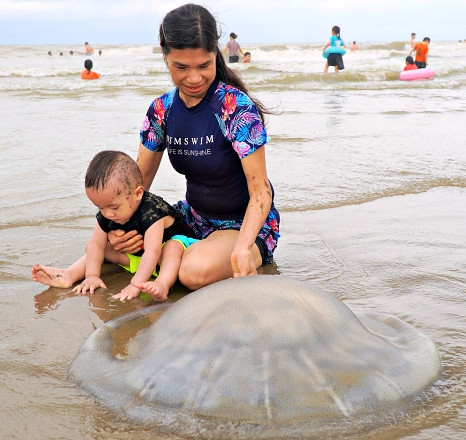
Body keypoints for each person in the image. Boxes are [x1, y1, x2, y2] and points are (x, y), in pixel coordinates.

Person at [107, 3, 280, 290]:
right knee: (108, 247)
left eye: (204, 65)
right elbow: (138, 184)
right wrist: (120, 229)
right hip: (191, 218)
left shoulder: (234, 107)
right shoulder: (162, 110)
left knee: (192, 273)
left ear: (216, 55)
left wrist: (243, 246)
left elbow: (260, 190)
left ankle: (182, 259)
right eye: (181, 67)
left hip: (242, 225)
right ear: (165, 58)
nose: (194, 78)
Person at [31, 151, 198, 302]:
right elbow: (96, 244)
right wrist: (92, 276)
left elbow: (153, 251)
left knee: (172, 247)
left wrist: (135, 284)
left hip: (171, 258)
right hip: (142, 259)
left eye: (114, 208)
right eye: (100, 208)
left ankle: (162, 284)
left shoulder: (152, 211)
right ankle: (70, 274)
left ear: (138, 194)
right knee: (95, 247)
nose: (108, 214)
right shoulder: (108, 210)